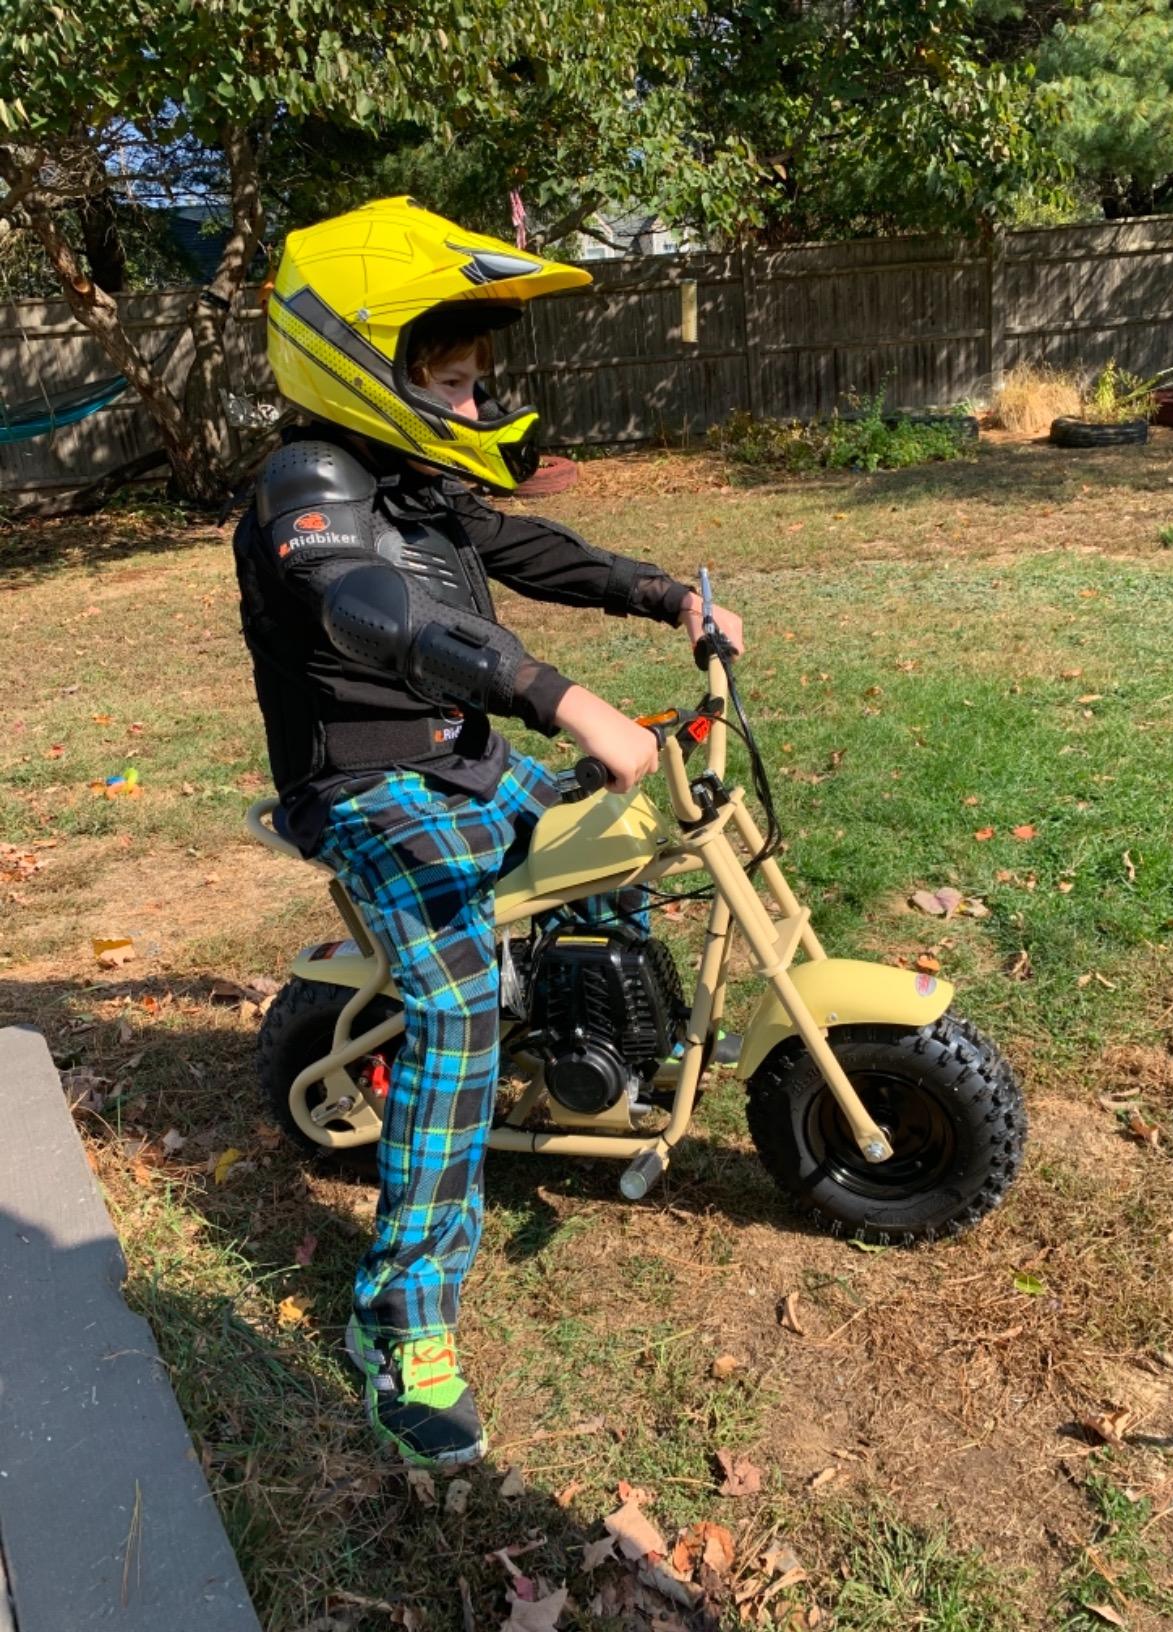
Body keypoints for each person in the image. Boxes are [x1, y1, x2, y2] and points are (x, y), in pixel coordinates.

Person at [232, 198, 744, 1469]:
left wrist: (666, 596)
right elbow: (372, 609)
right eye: (452, 381)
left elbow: (528, 546)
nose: (473, 403)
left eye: (474, 380)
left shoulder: (415, 478)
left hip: (463, 757)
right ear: (364, 362)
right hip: (366, 786)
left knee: (613, 847)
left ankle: (587, 1043)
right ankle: (401, 1321)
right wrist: (558, 697)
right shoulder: (309, 486)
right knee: (457, 1003)